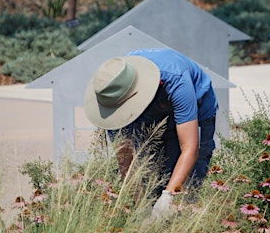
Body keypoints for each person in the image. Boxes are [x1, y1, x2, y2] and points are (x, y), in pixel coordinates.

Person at [84, 48, 217, 219]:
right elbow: (127, 162)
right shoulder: (111, 99)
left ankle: (186, 228)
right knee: (153, 177)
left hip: (194, 111)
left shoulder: (175, 77)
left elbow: (190, 148)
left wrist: (168, 197)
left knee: (190, 182)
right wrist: (142, 207)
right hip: (149, 118)